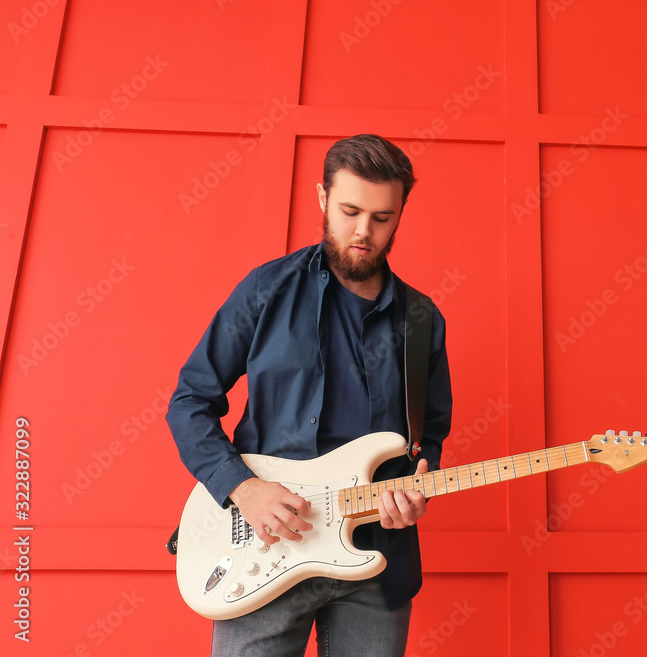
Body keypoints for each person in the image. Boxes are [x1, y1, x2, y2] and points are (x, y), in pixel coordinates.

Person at [166, 134, 452, 656]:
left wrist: (418, 491)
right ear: (322, 198)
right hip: (264, 544)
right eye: (349, 211)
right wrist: (241, 487)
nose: (364, 232)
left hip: (376, 559)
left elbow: (428, 436)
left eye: (382, 218)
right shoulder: (265, 290)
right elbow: (189, 399)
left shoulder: (421, 320)